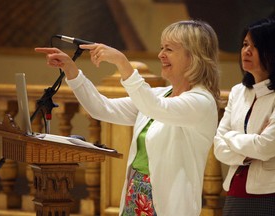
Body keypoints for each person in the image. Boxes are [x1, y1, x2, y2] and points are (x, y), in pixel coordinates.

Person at [35, 20, 220, 216]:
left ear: (194, 56)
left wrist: (123, 63)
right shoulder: (159, 95)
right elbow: (102, 108)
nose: (160, 55)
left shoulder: (201, 102)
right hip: (136, 195)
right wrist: (71, 70)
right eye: (161, 48)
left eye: (169, 49)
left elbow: (155, 108)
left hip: (169, 205)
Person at [214, 18, 275, 215]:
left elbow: (266, 146)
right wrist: (251, 143)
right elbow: (218, 147)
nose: (246, 51)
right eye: (245, 44)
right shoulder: (237, 92)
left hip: (269, 194)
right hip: (234, 190)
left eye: (256, 46)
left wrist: (231, 138)